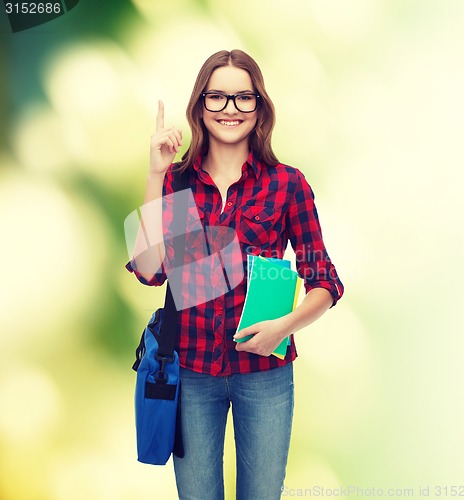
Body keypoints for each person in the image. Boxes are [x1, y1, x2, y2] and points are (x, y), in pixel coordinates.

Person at [126, 49, 344, 500]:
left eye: (243, 98)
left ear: (259, 108)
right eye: (218, 97)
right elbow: (149, 271)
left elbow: (324, 280)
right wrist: (155, 171)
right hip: (192, 373)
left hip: (265, 374)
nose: (230, 109)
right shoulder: (176, 182)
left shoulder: (287, 184)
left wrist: (284, 327)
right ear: (200, 107)